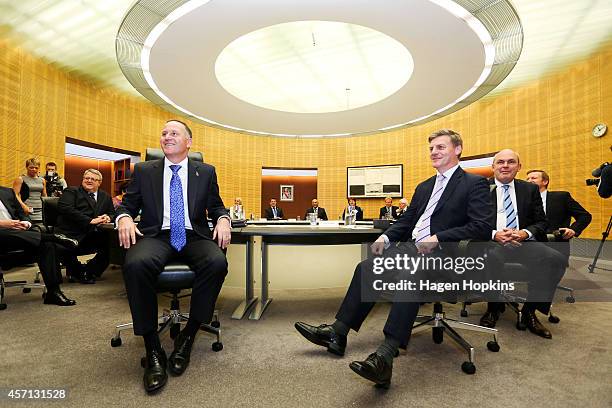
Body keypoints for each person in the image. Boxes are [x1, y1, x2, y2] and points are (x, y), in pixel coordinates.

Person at [295, 129, 493, 388]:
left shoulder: (473, 183)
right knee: (366, 267)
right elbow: (407, 221)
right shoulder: (424, 187)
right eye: (431, 148)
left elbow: (481, 225)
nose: (434, 151)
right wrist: (385, 238)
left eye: (441, 147)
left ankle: (385, 356)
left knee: (412, 273)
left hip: (446, 258)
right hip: (412, 249)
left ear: (458, 149)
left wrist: (439, 237)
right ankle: (337, 333)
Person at [116, 119, 230, 394]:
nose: (167, 136)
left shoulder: (206, 171)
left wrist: (224, 219)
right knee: (135, 263)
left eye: (174, 133)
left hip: (193, 235)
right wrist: (123, 218)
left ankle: (189, 336)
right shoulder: (144, 170)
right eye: (164, 133)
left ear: (188, 143)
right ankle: (153, 349)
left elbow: (216, 206)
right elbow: (128, 205)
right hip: (157, 234)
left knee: (217, 262)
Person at [479, 150, 567, 339]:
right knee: (491, 258)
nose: (505, 165)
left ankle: (530, 310)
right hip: (492, 242)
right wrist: (495, 235)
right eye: (500, 162)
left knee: (556, 259)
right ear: (493, 167)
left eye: (511, 162)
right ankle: (493, 308)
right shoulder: (480, 189)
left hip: (523, 242)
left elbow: (542, 222)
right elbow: (469, 222)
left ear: (519, 167)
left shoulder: (529, 189)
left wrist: (524, 233)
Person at [0, 186, 77, 306]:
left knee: (47, 245)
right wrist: (3, 224)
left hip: (19, 235)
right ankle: (54, 237)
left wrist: (25, 223)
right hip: (2, 237)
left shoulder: (6, 192)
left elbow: (22, 213)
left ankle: (53, 292)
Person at [55, 169, 115, 284]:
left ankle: (88, 271)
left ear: (99, 182)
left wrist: (108, 217)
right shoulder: (72, 191)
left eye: (93, 179)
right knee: (84, 244)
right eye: (86, 178)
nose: (89, 180)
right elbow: (65, 208)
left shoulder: (105, 196)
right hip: (72, 231)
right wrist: (90, 221)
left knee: (111, 243)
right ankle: (79, 271)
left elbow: (112, 213)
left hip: (96, 233)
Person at [526, 169, 592, 260]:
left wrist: (573, 230)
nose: (529, 181)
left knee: (553, 273)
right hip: (529, 246)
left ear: (545, 181)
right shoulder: (524, 201)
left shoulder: (561, 197)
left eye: (533, 178)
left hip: (555, 246)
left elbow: (585, 216)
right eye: (527, 179)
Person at [12, 158, 47, 223]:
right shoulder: (20, 179)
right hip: (27, 209)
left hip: (40, 210)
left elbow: (44, 195)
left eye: (36, 168)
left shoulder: (42, 180)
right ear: (26, 167)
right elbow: (15, 195)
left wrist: (46, 207)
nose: (34, 169)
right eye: (31, 167)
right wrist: (23, 206)